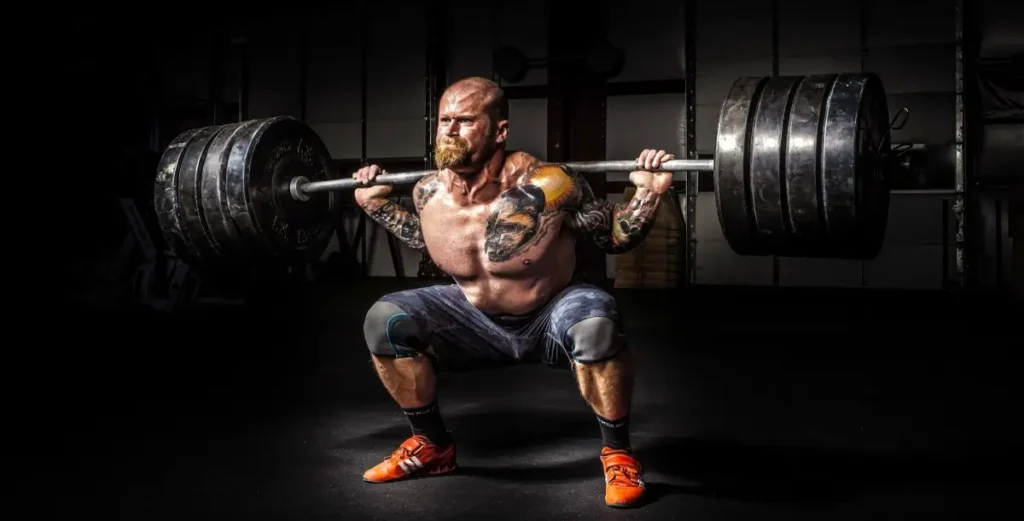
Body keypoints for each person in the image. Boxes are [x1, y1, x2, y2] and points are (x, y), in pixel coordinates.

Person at [352, 76, 675, 508]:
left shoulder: (553, 184)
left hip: (549, 312)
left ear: (500, 131)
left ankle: (618, 454)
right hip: (472, 318)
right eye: (445, 120)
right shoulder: (427, 191)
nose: (449, 130)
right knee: (385, 320)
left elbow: (613, 236)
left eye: (465, 121)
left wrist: (648, 194)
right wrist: (377, 206)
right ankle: (432, 446)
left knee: (597, 324)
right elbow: (427, 240)